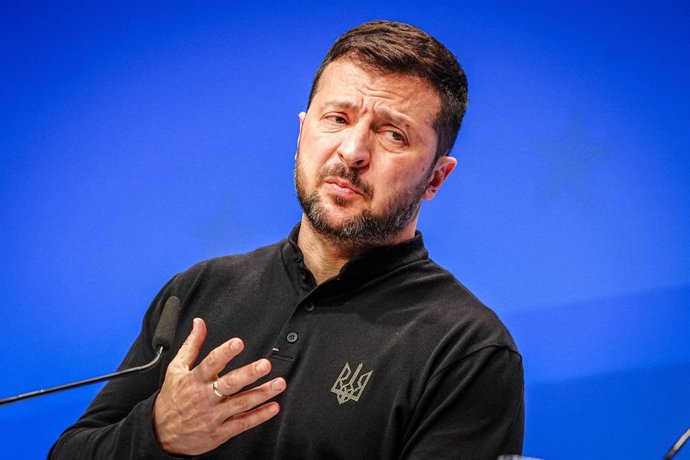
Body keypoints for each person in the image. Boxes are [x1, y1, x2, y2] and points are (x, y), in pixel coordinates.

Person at [50, 20, 524, 459]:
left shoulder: (468, 349)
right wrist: (158, 433)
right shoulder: (197, 291)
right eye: (337, 118)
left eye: (392, 134)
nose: (353, 150)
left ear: (436, 178)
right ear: (302, 134)